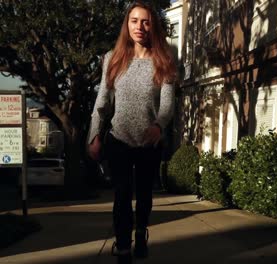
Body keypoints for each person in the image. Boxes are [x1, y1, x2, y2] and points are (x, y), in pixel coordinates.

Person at [87, 1, 175, 263]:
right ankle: (123, 247)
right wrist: (94, 136)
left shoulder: (164, 60)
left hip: (150, 141)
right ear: (127, 24)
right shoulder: (112, 59)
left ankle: (140, 231)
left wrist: (159, 125)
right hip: (119, 139)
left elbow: (168, 104)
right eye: (134, 20)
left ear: (153, 26)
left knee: (145, 195)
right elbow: (101, 102)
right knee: (122, 195)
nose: (140, 26)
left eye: (146, 21)